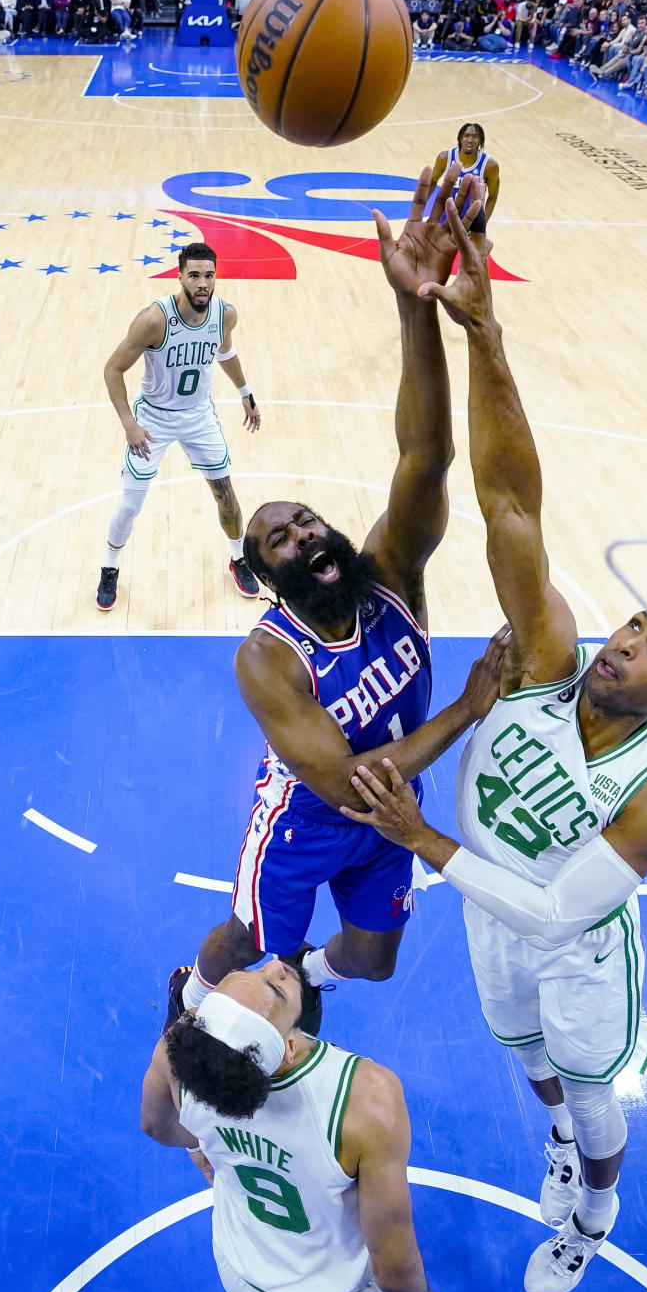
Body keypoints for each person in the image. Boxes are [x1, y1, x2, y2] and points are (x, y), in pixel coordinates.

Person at [342, 202, 647, 1292]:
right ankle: (555, 1140)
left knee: (591, 1093)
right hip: (485, 905)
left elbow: (557, 914)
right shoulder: (552, 655)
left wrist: (421, 837)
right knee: (526, 1060)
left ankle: (594, 1205)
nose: (625, 646)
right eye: (634, 625)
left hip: (573, 945)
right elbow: (508, 502)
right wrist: (481, 331)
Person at [161, 167, 507, 1034]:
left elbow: (425, 459)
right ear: (270, 578)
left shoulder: (389, 575)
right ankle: (193, 997)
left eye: (307, 522)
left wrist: (415, 306)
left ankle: (311, 972)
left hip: (394, 808)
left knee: (375, 962)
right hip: (308, 820)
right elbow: (351, 780)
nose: (304, 535)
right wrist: (469, 704)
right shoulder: (267, 655)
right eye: (280, 540)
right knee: (248, 942)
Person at [142, 958, 431, 1292]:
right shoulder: (364, 1096)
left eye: (253, 970)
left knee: (265, 1279)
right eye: (274, 988)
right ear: (290, 1046)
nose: (276, 964)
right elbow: (393, 1260)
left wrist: (199, 1144)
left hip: (241, 1271)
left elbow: (156, 1126)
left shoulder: (181, 1057)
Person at [97, 242, 261, 611]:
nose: (203, 283)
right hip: (152, 419)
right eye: (194, 275)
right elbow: (112, 369)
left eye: (209, 275)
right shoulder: (154, 320)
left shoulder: (224, 315)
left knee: (226, 495)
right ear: (180, 276)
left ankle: (238, 559)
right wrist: (129, 425)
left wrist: (245, 392)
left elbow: (225, 351)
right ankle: (110, 567)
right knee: (130, 505)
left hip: (199, 417)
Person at [428, 123, 500, 232]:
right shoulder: (445, 158)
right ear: (460, 138)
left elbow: (493, 196)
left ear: (480, 140)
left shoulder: (489, 165)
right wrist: (421, 206)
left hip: (469, 224)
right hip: (443, 220)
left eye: (475, 136)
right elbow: (432, 182)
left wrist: (481, 225)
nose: (470, 140)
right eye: (466, 135)